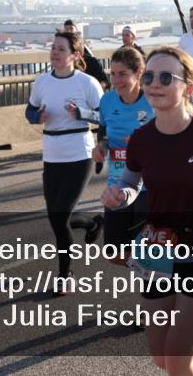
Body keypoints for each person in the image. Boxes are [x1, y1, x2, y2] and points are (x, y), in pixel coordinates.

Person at [102, 46, 193, 376]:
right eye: (150, 76)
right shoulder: (140, 139)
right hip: (157, 252)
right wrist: (119, 196)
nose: (155, 84)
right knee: (162, 357)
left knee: (177, 360)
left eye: (167, 77)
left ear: (190, 87)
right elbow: (130, 184)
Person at [25, 30, 104, 293]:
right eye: (53, 48)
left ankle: (65, 273)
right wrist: (37, 117)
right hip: (52, 152)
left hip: (79, 153)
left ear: (75, 55)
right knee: (56, 216)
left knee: (59, 218)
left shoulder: (86, 83)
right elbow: (30, 109)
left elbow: (105, 116)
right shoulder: (42, 82)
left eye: (60, 49)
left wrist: (81, 113)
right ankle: (92, 223)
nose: (54, 53)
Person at [71, 46, 153, 256]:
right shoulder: (107, 100)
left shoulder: (153, 102)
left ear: (139, 73)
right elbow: (105, 135)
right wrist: (101, 147)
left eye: (123, 74)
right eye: (113, 74)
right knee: (115, 253)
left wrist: (141, 145)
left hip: (149, 187)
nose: (116, 80)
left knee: (147, 253)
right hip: (117, 185)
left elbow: (170, 142)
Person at [64, 19, 110, 89]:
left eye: (71, 28)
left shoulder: (91, 61)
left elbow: (106, 82)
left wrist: (94, 89)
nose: (68, 31)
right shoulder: (62, 64)